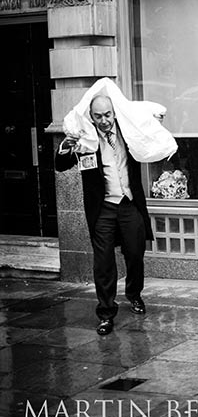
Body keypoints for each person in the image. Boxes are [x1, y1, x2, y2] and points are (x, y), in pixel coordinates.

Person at [56, 95, 152, 336]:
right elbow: (60, 164)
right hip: (103, 209)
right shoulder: (85, 138)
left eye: (107, 115)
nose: (104, 120)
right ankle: (106, 314)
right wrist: (66, 146)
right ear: (92, 117)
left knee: (135, 253)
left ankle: (134, 294)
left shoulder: (128, 132)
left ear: (114, 113)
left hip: (129, 203)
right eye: (98, 116)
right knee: (103, 263)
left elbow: (150, 138)